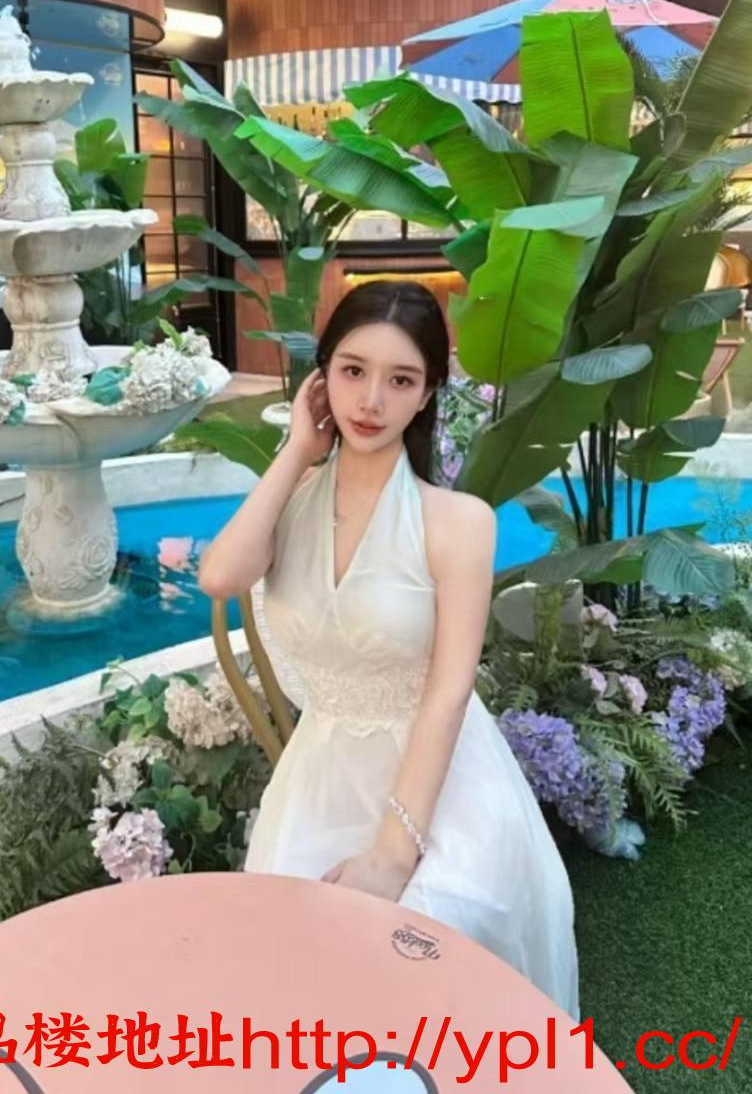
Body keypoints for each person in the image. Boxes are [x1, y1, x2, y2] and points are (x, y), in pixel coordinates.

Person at [199, 281, 579, 1019]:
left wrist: (393, 854)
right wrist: (296, 451)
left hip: (441, 783)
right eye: (352, 371)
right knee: (295, 961)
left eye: (400, 380)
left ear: (427, 393)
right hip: (322, 776)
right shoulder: (291, 502)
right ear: (322, 378)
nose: (371, 401)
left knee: (436, 929)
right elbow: (220, 576)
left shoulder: (459, 522)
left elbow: (448, 691)